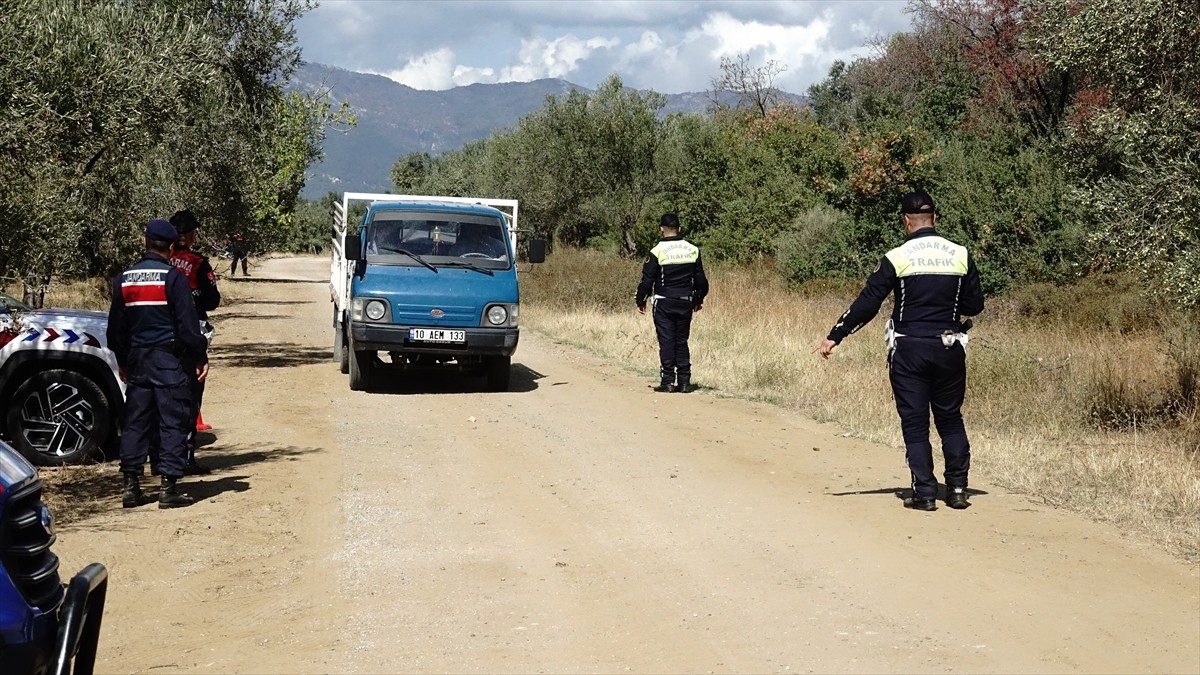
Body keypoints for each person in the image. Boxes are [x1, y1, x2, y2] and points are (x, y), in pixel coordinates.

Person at [813, 191, 984, 511]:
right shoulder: (961, 254)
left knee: (915, 422)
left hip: (909, 349)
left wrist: (836, 335)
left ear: (906, 221)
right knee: (950, 418)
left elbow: (869, 303)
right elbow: (974, 305)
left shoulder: (897, 256)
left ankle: (925, 493)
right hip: (949, 346)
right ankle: (959, 489)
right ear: (935, 218)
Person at [107, 219, 210, 509]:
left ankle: (131, 487)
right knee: (172, 421)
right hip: (169, 361)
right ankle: (168, 488)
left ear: (145, 243)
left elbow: (115, 331)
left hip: (138, 361)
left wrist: (123, 361)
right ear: (172, 246)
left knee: (135, 422)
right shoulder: (173, 278)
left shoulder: (124, 279)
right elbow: (188, 327)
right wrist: (200, 356)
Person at [169, 209, 221, 474]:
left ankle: (161, 455)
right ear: (191, 235)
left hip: (160, 336)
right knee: (191, 394)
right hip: (192, 335)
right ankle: (187, 456)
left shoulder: (160, 262)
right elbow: (212, 301)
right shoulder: (199, 263)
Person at [636, 213, 709, 393]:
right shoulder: (693, 249)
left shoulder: (657, 251)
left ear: (661, 229)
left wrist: (641, 300)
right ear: (679, 228)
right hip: (685, 301)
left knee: (667, 340)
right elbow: (701, 280)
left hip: (664, 301)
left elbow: (647, 280)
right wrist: (699, 299)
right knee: (681, 340)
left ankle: (668, 381)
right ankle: (684, 382)